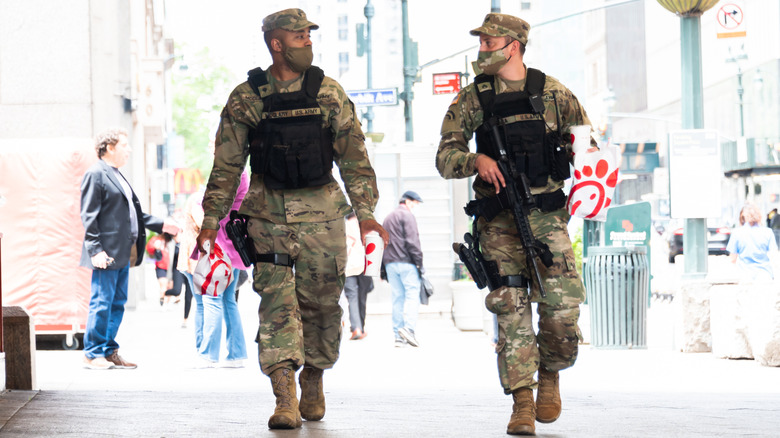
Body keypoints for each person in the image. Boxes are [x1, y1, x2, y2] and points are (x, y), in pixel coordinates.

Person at [195, 8, 388, 430]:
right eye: (299, 36)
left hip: (324, 219)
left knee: (321, 306)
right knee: (276, 307)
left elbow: (354, 158)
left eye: (309, 35)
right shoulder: (247, 97)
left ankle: (314, 375)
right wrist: (211, 220)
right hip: (268, 219)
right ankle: (284, 394)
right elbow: (227, 165)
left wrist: (367, 214)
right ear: (276, 43)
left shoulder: (328, 93)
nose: (308, 41)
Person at [435, 13, 592, 435]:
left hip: (548, 218)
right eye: (482, 43)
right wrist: (475, 160)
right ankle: (522, 401)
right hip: (499, 220)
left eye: (490, 43)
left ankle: (551, 375)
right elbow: (444, 156)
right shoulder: (472, 99)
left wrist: (587, 192)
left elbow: (590, 151)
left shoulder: (554, 93)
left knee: (562, 310)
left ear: (514, 46)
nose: (482, 50)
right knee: (510, 309)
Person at [79, 128, 165, 370]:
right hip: (105, 253)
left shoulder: (115, 174)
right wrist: (95, 250)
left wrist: (161, 224)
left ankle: (107, 351)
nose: (129, 149)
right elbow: (89, 215)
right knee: (102, 301)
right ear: (110, 148)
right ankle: (92, 353)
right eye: (124, 145)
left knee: (117, 302)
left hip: (123, 251)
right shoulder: (96, 174)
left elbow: (133, 214)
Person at [381, 191, 424, 348]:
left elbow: (382, 243)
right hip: (407, 262)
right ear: (408, 201)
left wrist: (382, 269)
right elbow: (413, 242)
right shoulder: (407, 216)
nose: (415, 206)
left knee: (397, 297)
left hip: (390, 263)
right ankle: (409, 329)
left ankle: (398, 336)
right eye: (415, 203)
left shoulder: (387, 218)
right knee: (413, 295)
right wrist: (419, 263)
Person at [728, 202, 778, 281]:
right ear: (759, 215)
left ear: (743, 216)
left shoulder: (736, 233)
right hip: (764, 274)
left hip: (744, 275)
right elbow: (774, 256)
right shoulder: (768, 232)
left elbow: (732, 259)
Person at [343, 211, 374, 340]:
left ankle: (356, 328)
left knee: (352, 297)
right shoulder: (364, 225)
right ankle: (361, 328)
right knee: (362, 296)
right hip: (363, 265)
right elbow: (373, 245)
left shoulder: (342, 227)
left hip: (348, 266)